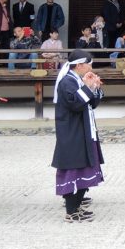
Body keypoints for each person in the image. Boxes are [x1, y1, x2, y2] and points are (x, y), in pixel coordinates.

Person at [52, 51, 105, 222]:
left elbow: (92, 104)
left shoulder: (77, 80)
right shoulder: (67, 81)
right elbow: (75, 104)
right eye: (89, 64)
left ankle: (77, 206)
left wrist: (94, 87)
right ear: (79, 65)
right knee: (74, 167)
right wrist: (87, 87)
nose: (91, 68)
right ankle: (71, 211)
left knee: (84, 165)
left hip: (84, 128)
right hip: (71, 130)